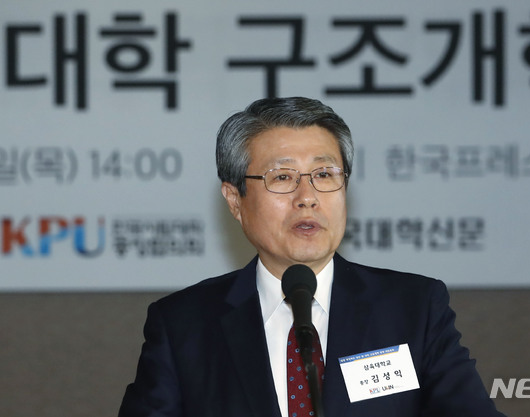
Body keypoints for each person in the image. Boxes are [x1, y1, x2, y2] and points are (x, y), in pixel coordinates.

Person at [118, 97, 506, 417]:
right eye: (282, 177)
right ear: (235, 200)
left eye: (324, 175)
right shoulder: (183, 324)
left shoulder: (413, 309)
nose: (308, 197)